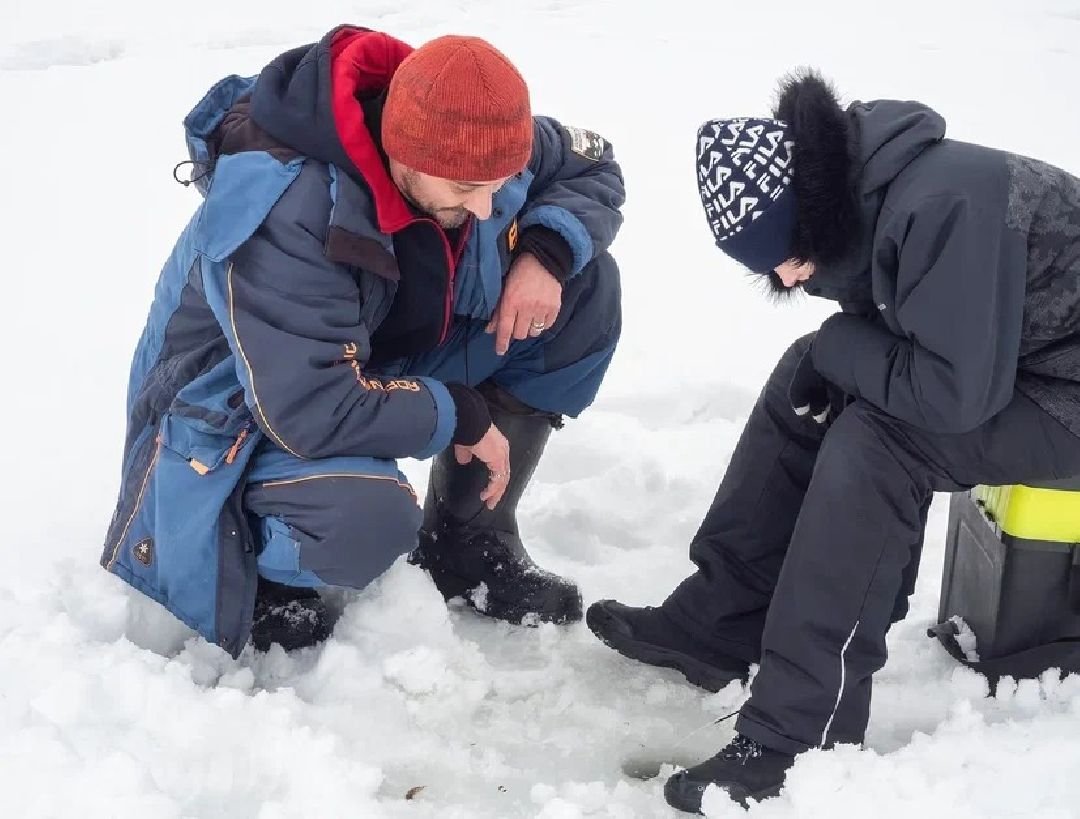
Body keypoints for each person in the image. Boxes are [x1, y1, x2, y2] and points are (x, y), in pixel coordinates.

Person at [587, 70, 1080, 811]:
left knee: (886, 440)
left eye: (781, 253)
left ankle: (797, 736)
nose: (784, 274)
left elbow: (949, 394)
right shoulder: (871, 194)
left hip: (1065, 393)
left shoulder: (944, 207)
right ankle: (723, 621)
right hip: (1028, 364)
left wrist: (838, 341)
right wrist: (830, 349)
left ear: (807, 209)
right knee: (808, 378)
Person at [100, 25, 623, 656]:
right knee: (368, 520)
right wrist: (456, 413)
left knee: (583, 289)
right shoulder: (289, 208)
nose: (487, 207)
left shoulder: (470, 133)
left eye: (501, 181)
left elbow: (592, 162)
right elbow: (314, 408)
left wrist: (545, 253)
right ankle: (255, 561)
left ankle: (466, 541)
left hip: (363, 356)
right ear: (404, 153)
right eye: (464, 190)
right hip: (232, 415)